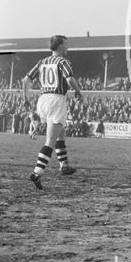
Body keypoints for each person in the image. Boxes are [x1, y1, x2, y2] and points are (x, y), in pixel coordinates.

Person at [23, 35, 83, 190]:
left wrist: (25, 98)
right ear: (60, 46)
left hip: (43, 99)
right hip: (57, 100)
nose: (68, 47)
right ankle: (36, 173)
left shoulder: (42, 62)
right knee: (50, 141)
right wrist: (78, 92)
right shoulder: (63, 62)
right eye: (66, 44)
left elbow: (26, 80)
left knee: (60, 133)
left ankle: (64, 166)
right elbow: (69, 79)